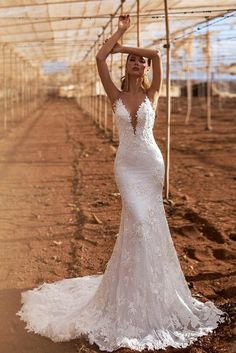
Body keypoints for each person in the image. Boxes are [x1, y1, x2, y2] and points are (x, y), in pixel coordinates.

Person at [16, 14, 227, 352]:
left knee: (149, 224)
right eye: (132, 60)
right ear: (125, 67)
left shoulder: (153, 94)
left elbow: (158, 56)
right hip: (127, 167)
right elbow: (100, 58)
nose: (138, 63)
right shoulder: (114, 95)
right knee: (138, 222)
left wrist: (127, 47)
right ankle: (131, 292)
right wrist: (119, 33)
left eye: (140, 62)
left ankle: (151, 293)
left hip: (151, 164)